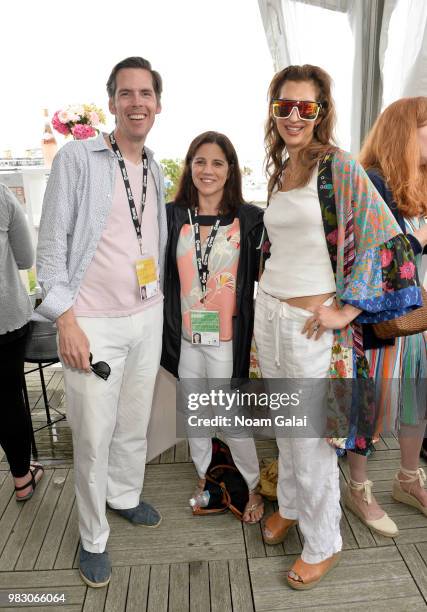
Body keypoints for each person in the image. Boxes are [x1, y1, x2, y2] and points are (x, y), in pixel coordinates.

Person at [254, 65, 421, 589]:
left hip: (312, 327)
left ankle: (324, 542)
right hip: (271, 316)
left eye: (307, 107)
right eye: (285, 106)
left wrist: (346, 309)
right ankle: (296, 507)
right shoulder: (281, 168)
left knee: (314, 439)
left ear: (322, 112)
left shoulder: (339, 167)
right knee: (285, 428)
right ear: (274, 110)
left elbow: (389, 245)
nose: (294, 117)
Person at [36, 56, 167, 588]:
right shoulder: (78, 158)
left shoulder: (155, 165)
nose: (137, 102)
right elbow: (48, 252)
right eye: (127, 93)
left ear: (158, 103)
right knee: (92, 437)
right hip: (92, 323)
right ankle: (93, 537)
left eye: (147, 94)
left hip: (148, 314)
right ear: (112, 102)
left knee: (134, 421)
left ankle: (124, 495)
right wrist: (66, 320)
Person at [161, 131, 265, 523]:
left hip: (227, 339)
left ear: (230, 170)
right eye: (200, 161)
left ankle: (253, 486)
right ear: (190, 167)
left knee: (228, 414)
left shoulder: (250, 219)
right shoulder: (173, 216)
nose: (208, 170)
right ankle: (206, 478)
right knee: (195, 413)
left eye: (217, 162)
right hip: (187, 336)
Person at [345, 97, 427, 536]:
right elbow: (372, 257)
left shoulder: (423, 180)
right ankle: (358, 489)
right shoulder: (371, 181)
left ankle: (408, 480)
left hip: (421, 316)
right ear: (403, 132)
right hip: (383, 317)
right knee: (369, 403)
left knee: (419, 399)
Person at [0, 184, 44, 501]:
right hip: (5, 319)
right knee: (8, 398)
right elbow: (26, 258)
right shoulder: (2, 194)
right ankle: (22, 478)